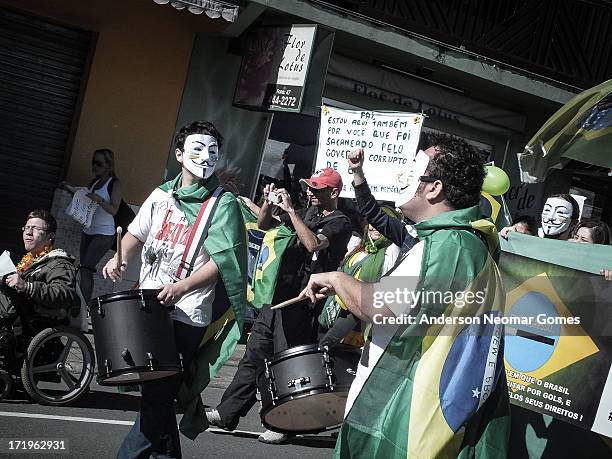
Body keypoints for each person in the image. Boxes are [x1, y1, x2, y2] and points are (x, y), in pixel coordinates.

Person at [302, 138, 510, 457]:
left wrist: (337, 278)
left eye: (414, 169)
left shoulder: (449, 246)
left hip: (412, 424)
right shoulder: (462, 242)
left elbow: (380, 307)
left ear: (433, 188)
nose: (404, 177)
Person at [102, 121, 246, 459]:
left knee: (157, 396)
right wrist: (119, 257)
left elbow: (223, 263)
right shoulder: (161, 194)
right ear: (179, 154)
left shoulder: (222, 204)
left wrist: (183, 286)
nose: (206, 157)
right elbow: (136, 234)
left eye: (213, 151)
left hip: (187, 314)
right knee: (158, 395)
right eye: (198, 149)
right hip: (147, 307)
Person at [205, 167, 352, 444]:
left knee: (287, 364)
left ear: (333, 192)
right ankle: (227, 414)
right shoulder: (308, 213)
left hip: (303, 301)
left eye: (317, 189)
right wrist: (269, 202)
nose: (310, 192)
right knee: (253, 355)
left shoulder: (340, 222)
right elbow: (263, 224)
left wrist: (293, 212)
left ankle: (285, 424)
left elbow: (312, 245)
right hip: (275, 295)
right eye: (309, 187)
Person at [319, 210, 400, 348]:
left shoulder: (392, 251)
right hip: (342, 312)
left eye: (379, 223)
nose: (374, 226)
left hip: (363, 321)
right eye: (371, 222)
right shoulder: (358, 250)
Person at [60, 148, 123, 302]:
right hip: (88, 230)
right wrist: (70, 190)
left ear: (109, 165)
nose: (94, 166)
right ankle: (78, 304)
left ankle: (83, 307)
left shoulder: (114, 183)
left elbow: (113, 210)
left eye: (99, 163)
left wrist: (98, 199)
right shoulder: (94, 181)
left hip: (104, 233)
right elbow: (85, 200)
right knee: (83, 268)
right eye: (93, 162)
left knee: (86, 269)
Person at [0, 210, 77, 333]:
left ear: (50, 236)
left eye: (35, 229)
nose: (28, 233)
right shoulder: (31, 259)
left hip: (31, 322)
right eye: (27, 228)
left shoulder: (59, 263)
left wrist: (27, 286)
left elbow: (64, 294)